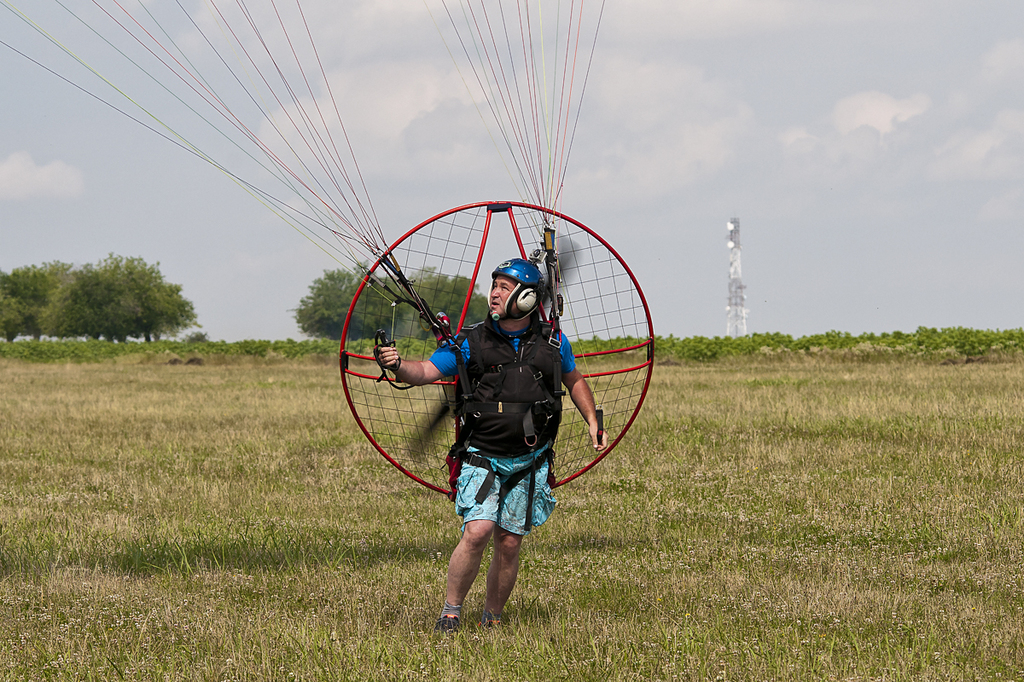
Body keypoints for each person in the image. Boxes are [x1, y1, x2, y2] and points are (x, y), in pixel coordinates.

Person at [375, 257, 606, 633]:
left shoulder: (552, 342)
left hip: (530, 460)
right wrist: (397, 364)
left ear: (528, 298)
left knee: (510, 542)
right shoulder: (473, 341)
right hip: (482, 455)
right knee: (478, 531)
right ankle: (451, 611)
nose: (494, 293)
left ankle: (492, 619)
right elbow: (426, 372)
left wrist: (593, 419)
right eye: (493, 285)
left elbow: (574, 380)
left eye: (503, 287)